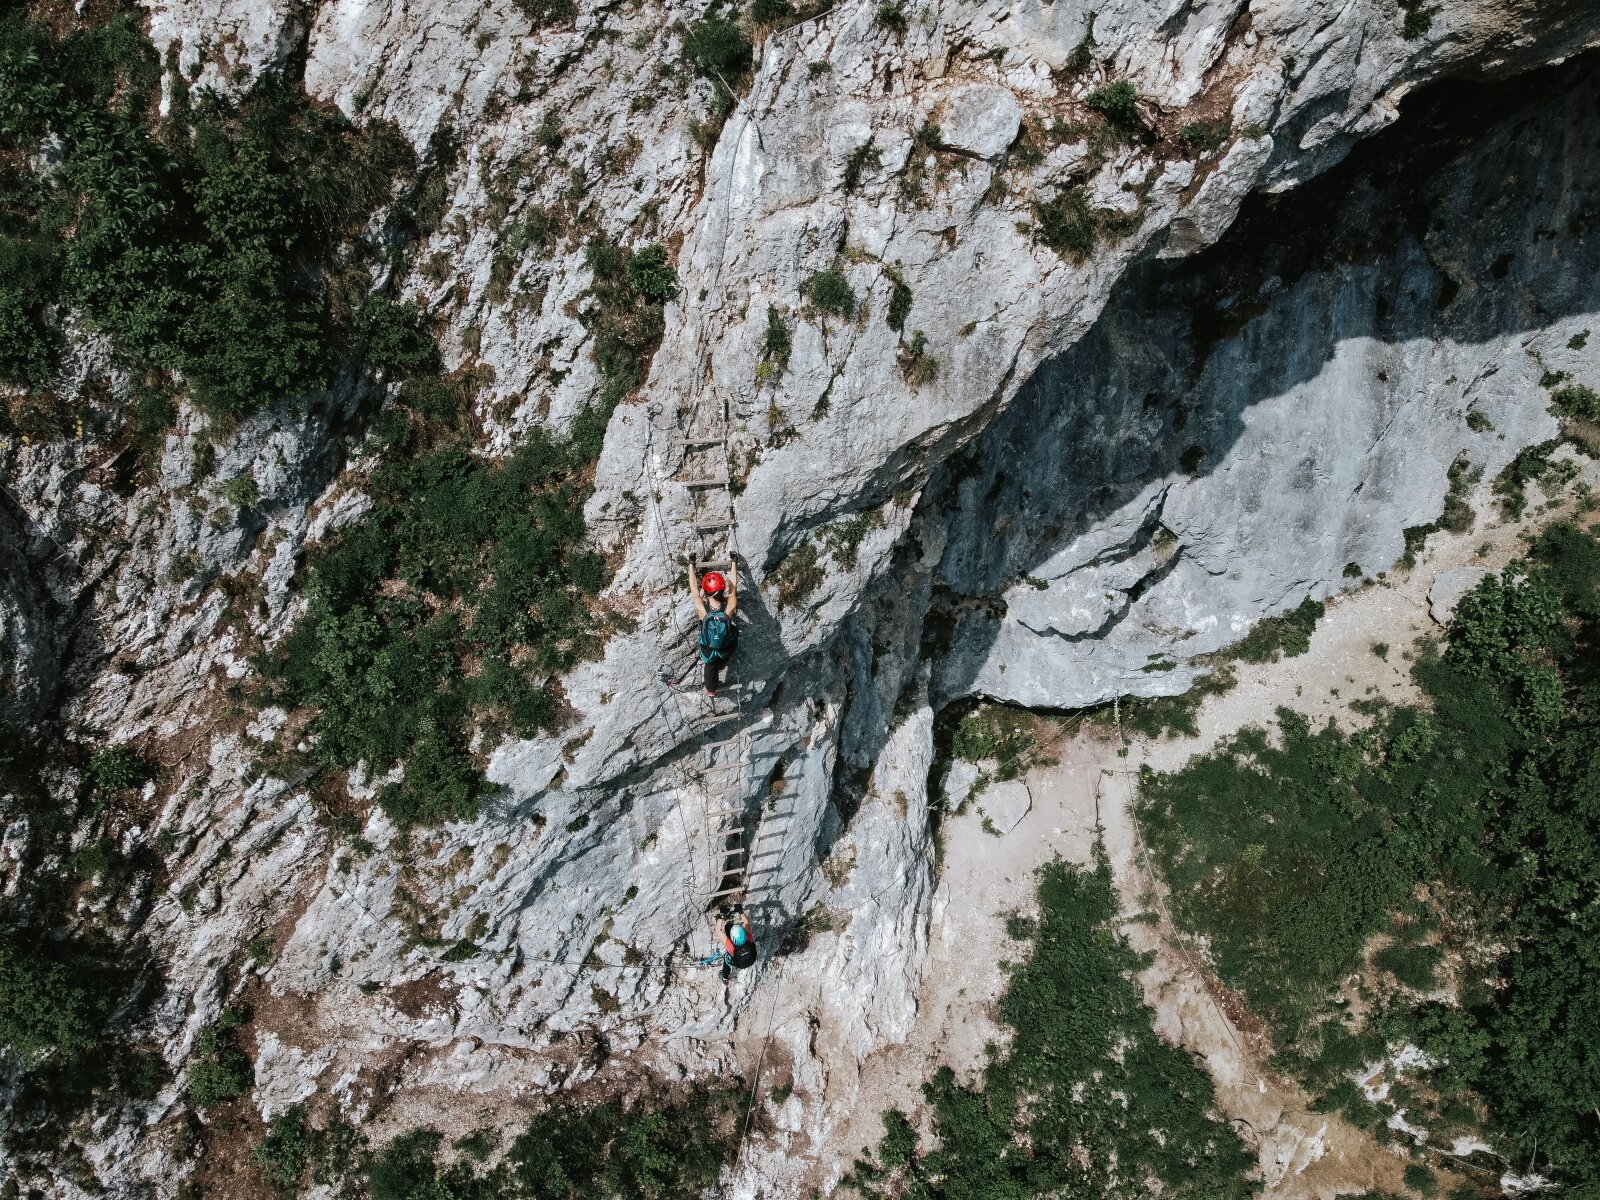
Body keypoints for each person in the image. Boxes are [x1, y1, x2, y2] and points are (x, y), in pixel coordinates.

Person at [689, 563, 739, 696]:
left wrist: (691, 565)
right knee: (734, 634)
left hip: (708, 651)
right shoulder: (729, 607)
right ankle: (722, 663)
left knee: (709, 665)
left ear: (705, 592)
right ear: (722, 590)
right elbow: (733, 587)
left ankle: (711, 690)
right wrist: (733, 562)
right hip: (725, 650)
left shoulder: (702, 609)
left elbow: (694, 589)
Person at [720, 911, 757, 978]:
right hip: (751, 960)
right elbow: (747, 922)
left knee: (726, 957)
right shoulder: (749, 938)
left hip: (741, 964)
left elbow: (717, 930)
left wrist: (721, 915)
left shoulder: (730, 947)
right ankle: (725, 976)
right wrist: (740, 911)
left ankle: (725, 976)